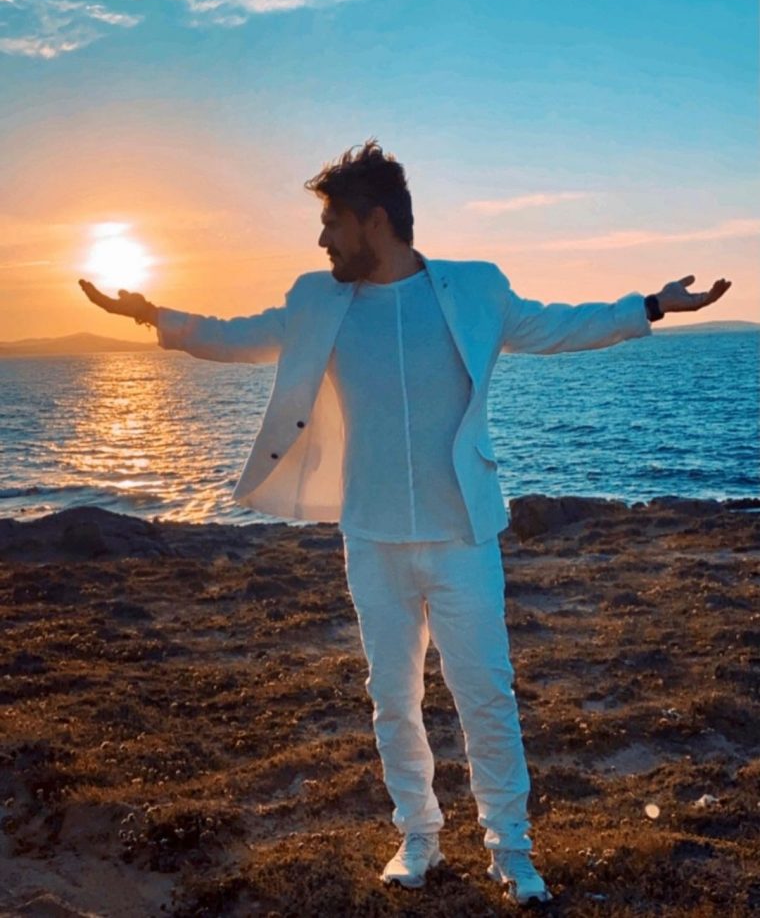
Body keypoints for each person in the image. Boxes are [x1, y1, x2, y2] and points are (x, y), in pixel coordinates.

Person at [79, 139, 731, 906]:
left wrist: (650, 305)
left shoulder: (473, 288)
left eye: (332, 222)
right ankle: (417, 835)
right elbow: (236, 334)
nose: (322, 239)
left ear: (374, 220)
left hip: (462, 537)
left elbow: (558, 325)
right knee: (393, 698)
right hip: (372, 536)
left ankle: (511, 849)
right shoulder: (318, 300)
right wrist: (153, 315)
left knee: (485, 694)